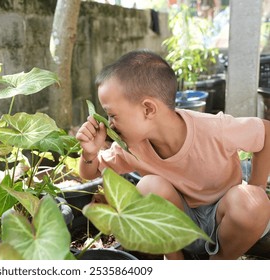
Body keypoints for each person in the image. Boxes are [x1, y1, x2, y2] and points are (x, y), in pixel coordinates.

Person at [75, 49, 270, 260]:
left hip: (223, 221)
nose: (109, 123)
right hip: (177, 228)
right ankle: (177, 264)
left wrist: (257, 187)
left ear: (148, 109)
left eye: (112, 114)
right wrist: (89, 152)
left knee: (253, 201)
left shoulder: (213, 129)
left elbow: (266, 133)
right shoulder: (131, 147)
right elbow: (90, 172)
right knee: (148, 186)